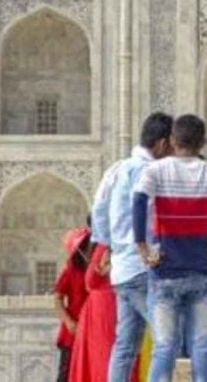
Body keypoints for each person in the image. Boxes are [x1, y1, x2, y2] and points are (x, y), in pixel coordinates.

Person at [132, 114, 207, 382]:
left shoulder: (156, 171)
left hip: (165, 270)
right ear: (202, 142)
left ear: (172, 141)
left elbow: (138, 202)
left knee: (165, 348)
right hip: (201, 270)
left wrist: (142, 246)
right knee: (202, 348)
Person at [93, 113, 174, 382]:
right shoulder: (151, 172)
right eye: (173, 146)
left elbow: (99, 213)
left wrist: (112, 246)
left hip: (122, 271)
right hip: (143, 269)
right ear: (163, 144)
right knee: (169, 337)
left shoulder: (116, 169)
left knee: (126, 344)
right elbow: (157, 217)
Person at [70, 241, 140, 382]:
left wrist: (103, 266)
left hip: (104, 308)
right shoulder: (134, 240)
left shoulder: (105, 245)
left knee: (104, 358)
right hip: (128, 299)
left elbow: (90, 282)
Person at [56, 226, 95, 382]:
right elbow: (58, 298)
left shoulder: (98, 269)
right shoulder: (71, 270)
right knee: (66, 374)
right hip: (73, 332)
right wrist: (69, 322)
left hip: (91, 330)